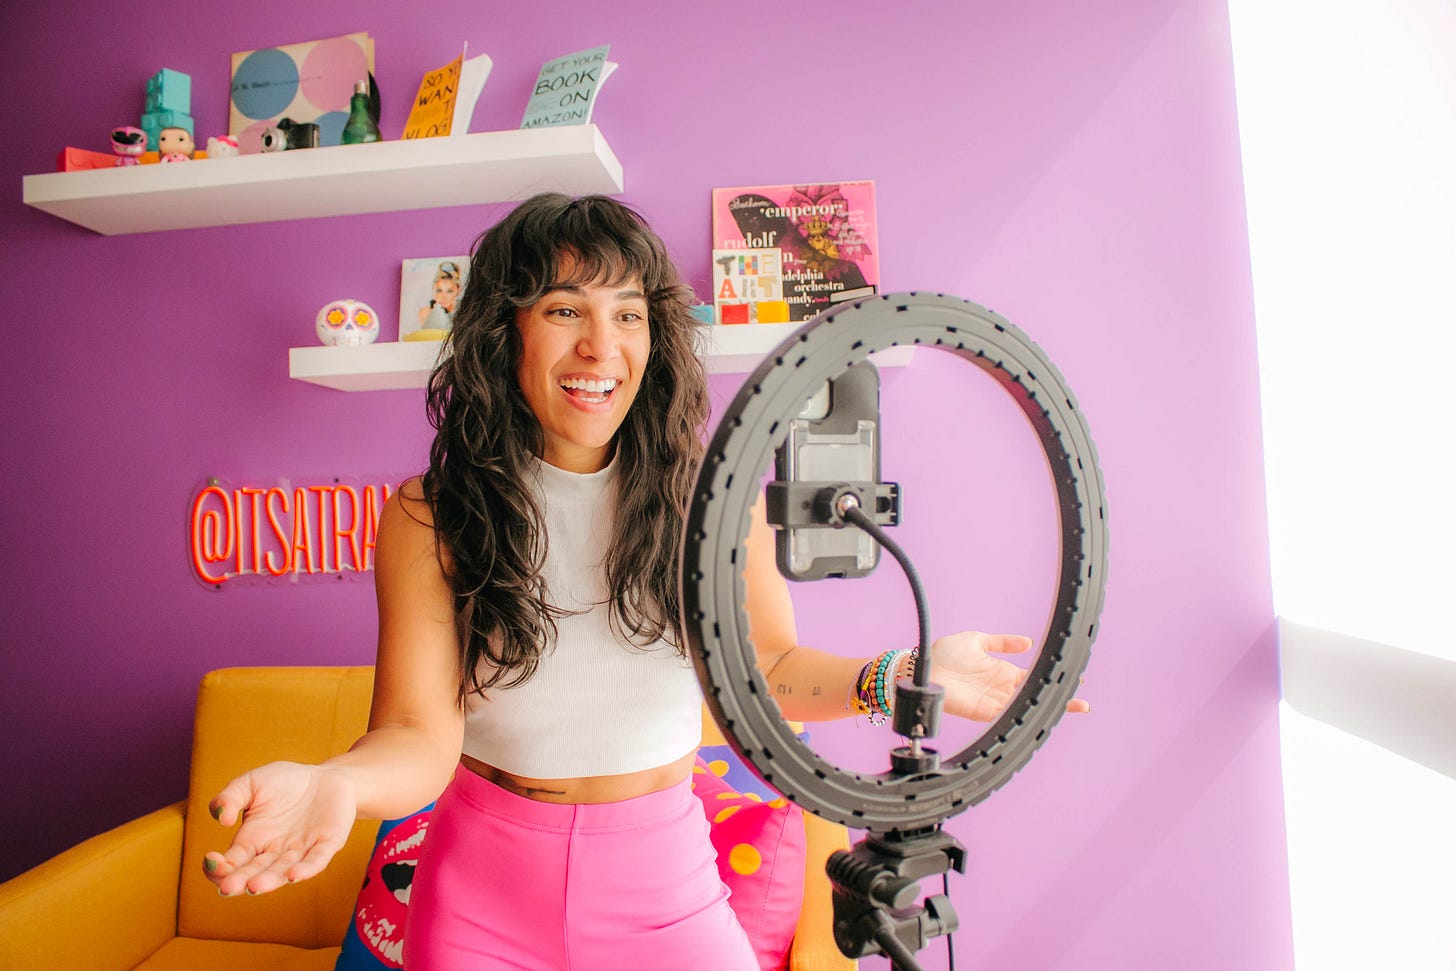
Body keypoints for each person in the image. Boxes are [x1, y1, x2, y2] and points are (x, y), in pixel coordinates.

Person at [202, 193, 1086, 969]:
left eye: (628, 314)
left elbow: (768, 672)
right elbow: (416, 736)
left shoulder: (714, 496)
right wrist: (341, 784)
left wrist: (898, 674)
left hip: (664, 891)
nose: (601, 345)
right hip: (478, 899)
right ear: (504, 331)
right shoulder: (430, 515)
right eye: (565, 309)